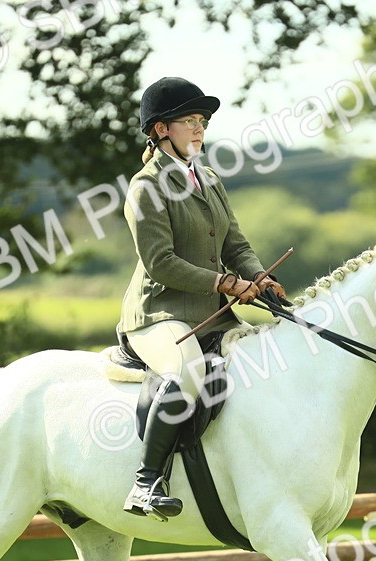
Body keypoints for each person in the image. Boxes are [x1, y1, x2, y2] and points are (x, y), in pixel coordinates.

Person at [117, 77, 287, 521]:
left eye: (202, 121)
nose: (199, 129)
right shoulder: (145, 188)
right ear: (160, 130)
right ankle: (146, 482)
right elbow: (161, 263)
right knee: (189, 372)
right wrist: (225, 285)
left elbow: (236, 244)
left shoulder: (208, 178)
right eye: (189, 121)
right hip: (158, 315)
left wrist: (259, 278)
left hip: (212, 316)